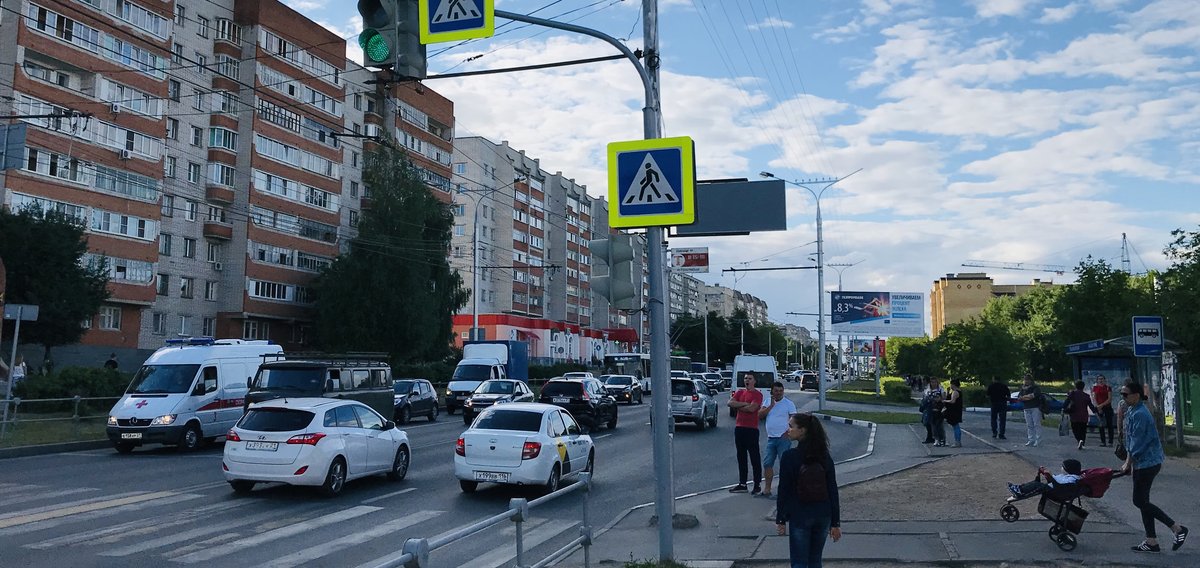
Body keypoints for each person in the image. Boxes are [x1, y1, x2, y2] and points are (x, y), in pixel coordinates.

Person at [1120, 382, 1188, 553]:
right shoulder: (1132, 411)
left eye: (1125, 394)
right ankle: (1151, 541)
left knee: (1139, 501)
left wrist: (1128, 463)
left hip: (1147, 462)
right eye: (1122, 394)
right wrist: (1129, 461)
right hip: (1143, 462)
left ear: (1136, 395)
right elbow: (1131, 439)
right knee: (1143, 501)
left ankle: (1177, 528)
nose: (1123, 397)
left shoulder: (1141, 414)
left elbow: (1138, 443)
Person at [776, 412, 841, 568]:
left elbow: (784, 490)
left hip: (800, 514)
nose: (788, 429)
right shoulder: (824, 456)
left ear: (803, 430)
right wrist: (835, 522)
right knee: (815, 560)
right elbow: (832, 489)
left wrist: (781, 518)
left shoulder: (790, 457)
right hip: (823, 514)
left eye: (791, 426)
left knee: (799, 562)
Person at [759, 381, 798, 498]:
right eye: (776, 391)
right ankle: (767, 489)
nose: (778, 393)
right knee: (767, 463)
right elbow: (760, 415)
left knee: (784, 464)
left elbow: (794, 420)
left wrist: (788, 433)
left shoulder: (789, 404)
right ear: (772, 391)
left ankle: (784, 491)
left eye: (781, 391)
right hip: (771, 438)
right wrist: (771, 406)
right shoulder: (767, 402)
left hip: (783, 438)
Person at [727, 373, 764, 494]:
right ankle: (742, 484)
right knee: (741, 457)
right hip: (739, 428)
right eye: (745, 379)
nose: (747, 381)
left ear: (754, 381)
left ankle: (757, 484)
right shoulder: (740, 392)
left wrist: (739, 406)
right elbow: (730, 403)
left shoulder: (757, 394)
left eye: (749, 379)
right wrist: (744, 404)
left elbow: (752, 409)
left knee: (754, 457)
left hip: (751, 429)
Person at [1008, 459, 1083, 500]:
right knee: (1035, 483)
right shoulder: (1066, 476)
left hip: (1055, 491)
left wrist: (1050, 476)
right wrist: (1047, 473)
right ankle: (1020, 488)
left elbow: (1061, 484)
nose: (1061, 468)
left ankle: (1021, 490)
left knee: (1036, 485)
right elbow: (1057, 479)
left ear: (1069, 470)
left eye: (1063, 467)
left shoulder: (1071, 479)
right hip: (1054, 488)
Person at [1066, 380, 1098, 450]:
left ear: (1075, 386)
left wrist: (1063, 409)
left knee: (1075, 429)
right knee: (1083, 430)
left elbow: (1066, 402)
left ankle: (1079, 440)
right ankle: (1082, 442)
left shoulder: (1073, 394)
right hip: (1084, 416)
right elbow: (1091, 406)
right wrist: (1095, 412)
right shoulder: (1086, 396)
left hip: (1074, 415)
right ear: (1083, 387)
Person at [1017, 374, 1043, 447]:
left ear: (1031, 380)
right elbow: (1019, 397)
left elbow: (1034, 395)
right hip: (1026, 407)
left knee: (1036, 424)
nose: (1026, 381)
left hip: (1035, 407)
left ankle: (1038, 440)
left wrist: (1024, 397)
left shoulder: (1035, 388)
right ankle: (1031, 439)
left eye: (1028, 380)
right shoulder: (1023, 389)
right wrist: (1027, 397)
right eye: (1025, 380)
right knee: (1029, 425)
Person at [1092, 375, 1115, 447]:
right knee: (1101, 425)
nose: (1100, 380)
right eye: (1099, 379)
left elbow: (1109, 399)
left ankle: (1110, 441)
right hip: (1099, 408)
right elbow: (1094, 398)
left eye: (1102, 379)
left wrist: (1102, 405)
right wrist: (1098, 407)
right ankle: (1103, 441)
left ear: (1104, 380)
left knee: (1109, 424)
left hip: (1107, 407)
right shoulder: (1095, 388)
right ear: (1097, 380)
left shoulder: (1108, 388)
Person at [918, 379, 943, 444]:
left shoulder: (940, 389)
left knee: (936, 425)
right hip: (928, 408)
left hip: (936, 409)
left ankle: (937, 439)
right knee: (927, 423)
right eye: (932, 382)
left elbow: (942, 398)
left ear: (937, 383)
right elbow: (925, 398)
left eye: (934, 382)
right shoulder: (928, 390)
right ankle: (930, 437)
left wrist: (936, 399)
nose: (933, 383)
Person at [944, 379, 964, 448]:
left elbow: (952, 401)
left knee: (956, 426)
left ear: (953, 384)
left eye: (951, 384)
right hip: (956, 410)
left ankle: (957, 442)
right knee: (955, 426)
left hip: (954, 411)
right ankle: (957, 441)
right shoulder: (957, 391)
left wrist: (945, 401)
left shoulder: (955, 392)